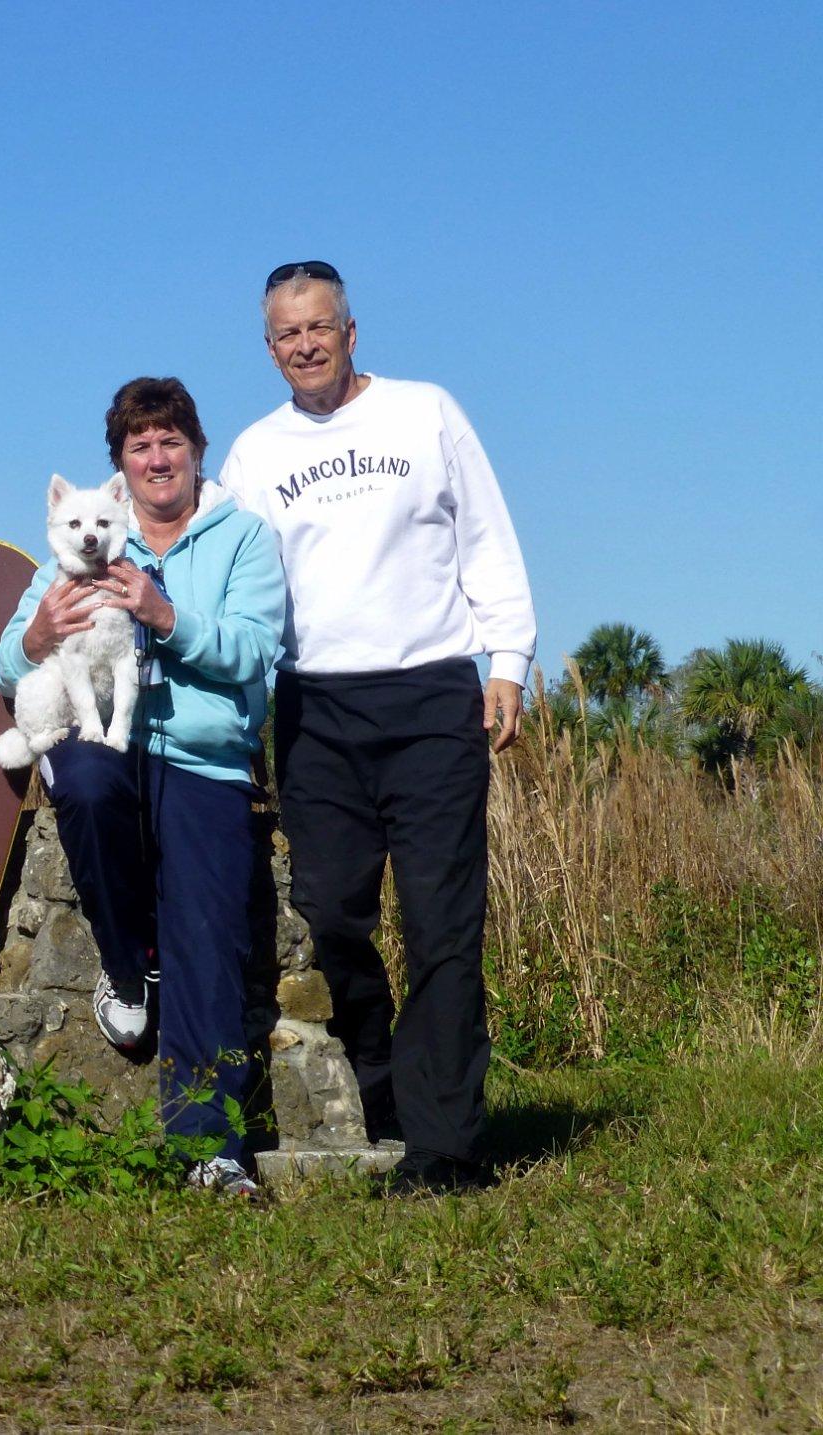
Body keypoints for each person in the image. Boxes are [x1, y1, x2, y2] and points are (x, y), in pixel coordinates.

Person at [218, 261, 536, 1195]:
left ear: (351, 333)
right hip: (314, 707)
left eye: (320, 326)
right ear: (269, 348)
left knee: (444, 924)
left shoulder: (424, 413)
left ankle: (445, 1148)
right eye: (287, 333)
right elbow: (229, 579)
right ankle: (382, 1087)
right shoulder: (255, 454)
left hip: (431, 696)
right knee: (330, 916)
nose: (306, 345)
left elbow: (487, 536)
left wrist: (508, 658)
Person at [0, 377, 286, 1195]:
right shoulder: (75, 549)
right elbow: (6, 663)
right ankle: (127, 967)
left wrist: (165, 616)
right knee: (85, 786)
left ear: (196, 450)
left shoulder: (242, 538)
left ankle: (209, 1149)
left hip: (203, 757)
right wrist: (37, 634)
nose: (157, 458)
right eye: (139, 445)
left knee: (209, 932)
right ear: (120, 464)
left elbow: (256, 648)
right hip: (106, 748)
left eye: (171, 442)